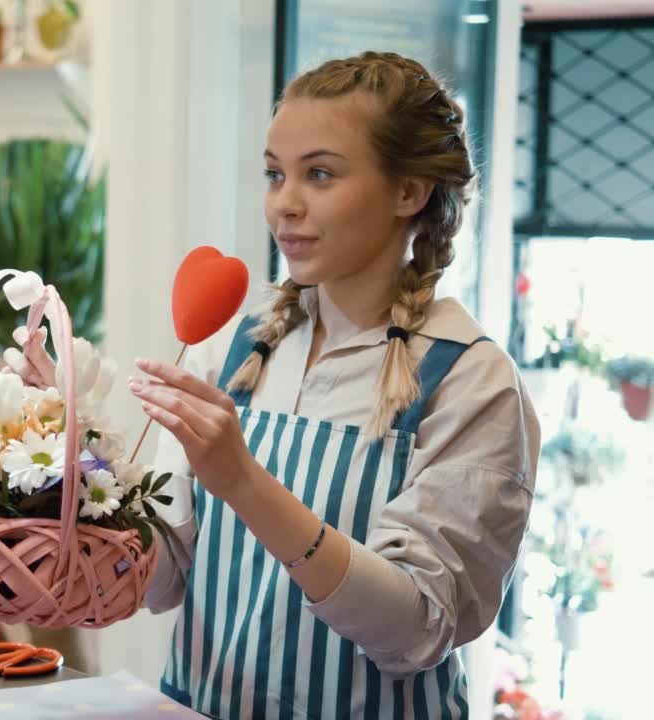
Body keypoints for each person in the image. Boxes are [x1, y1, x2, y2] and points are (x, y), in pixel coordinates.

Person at [130, 51, 540, 718]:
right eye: (274, 174)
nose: (284, 205)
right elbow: (154, 583)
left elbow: (416, 630)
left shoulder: (471, 381)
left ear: (409, 191)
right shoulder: (241, 342)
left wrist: (245, 484)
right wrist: (64, 464)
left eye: (319, 174)